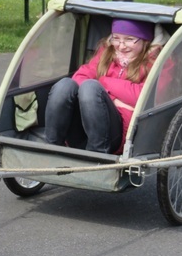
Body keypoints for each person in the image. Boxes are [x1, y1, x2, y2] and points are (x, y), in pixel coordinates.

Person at [42, 18, 159, 154]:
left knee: (90, 88)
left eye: (129, 39)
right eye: (116, 38)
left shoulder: (155, 61)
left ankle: (96, 155)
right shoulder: (106, 53)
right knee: (65, 85)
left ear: (145, 40)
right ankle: (52, 147)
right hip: (82, 128)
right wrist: (114, 99)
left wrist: (102, 83)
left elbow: (144, 95)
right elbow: (79, 77)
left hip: (118, 136)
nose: (121, 46)